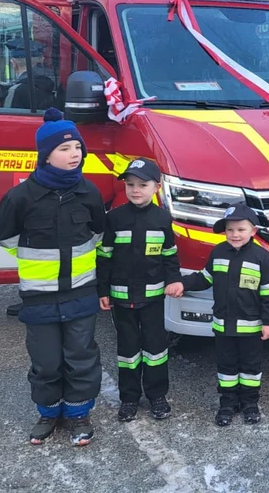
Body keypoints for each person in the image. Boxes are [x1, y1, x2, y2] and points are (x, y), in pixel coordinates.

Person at [0, 108, 105, 446]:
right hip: (39, 299)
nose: (74, 155)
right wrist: (33, 258)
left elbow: (98, 233)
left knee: (81, 357)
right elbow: (2, 236)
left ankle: (78, 413)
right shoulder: (22, 196)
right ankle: (48, 411)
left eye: (78, 149)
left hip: (81, 294)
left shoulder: (89, 193)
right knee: (46, 361)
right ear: (45, 155)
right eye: (65, 149)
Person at [165, 205, 269, 426]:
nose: (235, 234)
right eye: (230, 230)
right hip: (223, 327)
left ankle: (250, 404)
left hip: (251, 329)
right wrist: (181, 282)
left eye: (241, 229)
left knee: (250, 369)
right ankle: (227, 404)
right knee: (226, 367)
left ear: (253, 231)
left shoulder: (262, 257)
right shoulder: (217, 253)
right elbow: (204, 279)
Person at [97, 157, 180, 423]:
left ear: (156, 187)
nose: (135, 190)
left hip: (153, 298)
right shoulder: (115, 218)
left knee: (156, 350)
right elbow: (104, 257)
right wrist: (102, 290)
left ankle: (157, 396)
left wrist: (174, 279)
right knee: (128, 352)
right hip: (121, 301)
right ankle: (129, 398)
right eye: (130, 184)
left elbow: (169, 256)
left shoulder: (162, 218)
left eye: (142, 184)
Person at [3, 38, 56, 111]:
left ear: (13, 64)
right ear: (41, 60)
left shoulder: (15, 91)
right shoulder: (52, 88)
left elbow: (7, 119)